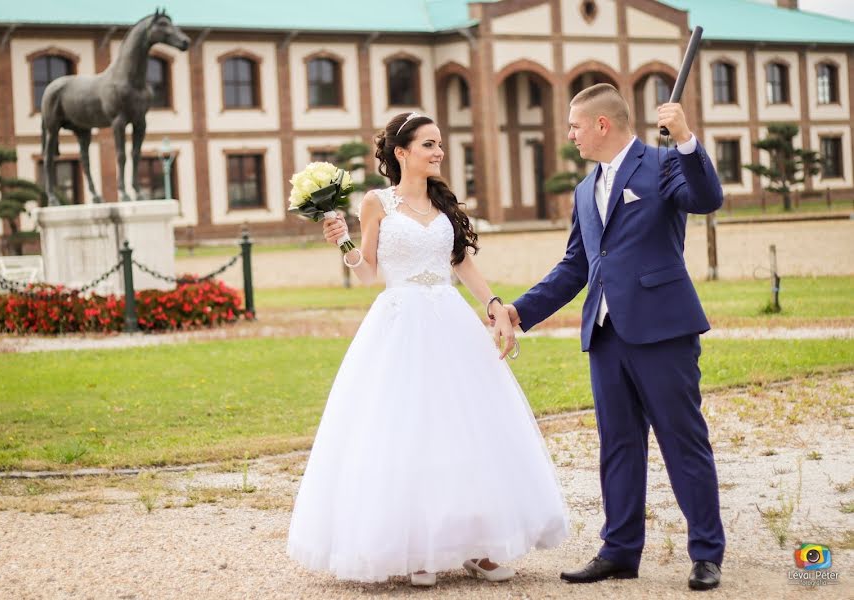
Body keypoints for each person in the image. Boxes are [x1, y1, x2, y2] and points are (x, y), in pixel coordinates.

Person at [286, 111, 569, 587]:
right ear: (401, 153)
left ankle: (477, 546)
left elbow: (463, 265)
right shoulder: (376, 203)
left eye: (438, 144)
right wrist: (344, 244)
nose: (438, 152)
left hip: (450, 322)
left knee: (466, 428)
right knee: (406, 431)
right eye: (428, 144)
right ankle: (418, 548)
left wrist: (495, 305)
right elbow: (368, 272)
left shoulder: (444, 204)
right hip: (398, 325)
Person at [500, 83, 725, 591]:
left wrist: (687, 138)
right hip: (604, 335)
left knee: (683, 441)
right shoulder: (584, 189)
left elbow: (707, 198)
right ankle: (620, 550)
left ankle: (707, 553)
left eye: (576, 126)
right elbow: (576, 266)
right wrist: (520, 311)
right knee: (618, 446)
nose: (571, 135)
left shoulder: (664, 163)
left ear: (603, 124)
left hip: (663, 330)